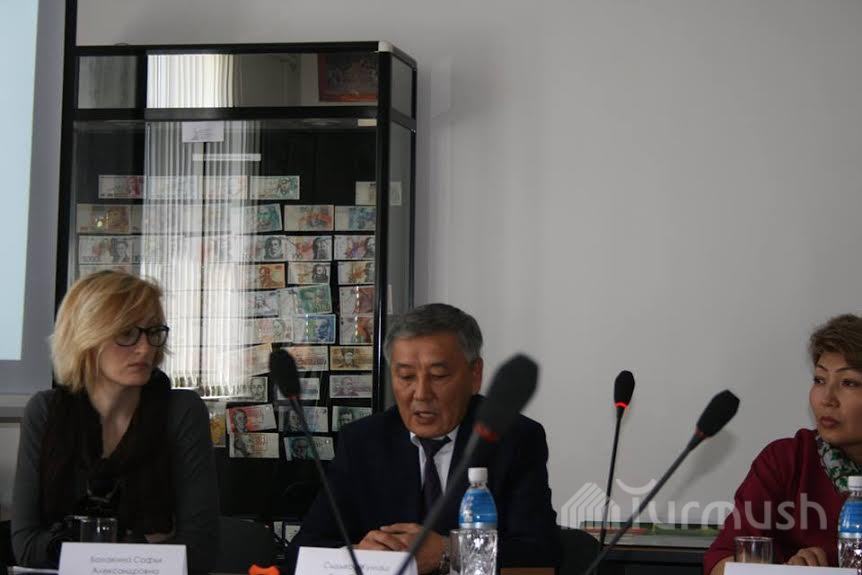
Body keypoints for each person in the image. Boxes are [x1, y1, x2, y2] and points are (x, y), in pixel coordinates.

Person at [286, 303, 560, 574]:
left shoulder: (513, 439)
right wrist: (357, 556)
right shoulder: (362, 441)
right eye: (406, 376)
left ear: (474, 374)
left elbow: (540, 553)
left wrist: (450, 552)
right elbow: (301, 550)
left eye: (438, 376)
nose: (421, 394)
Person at [11, 271, 219, 572]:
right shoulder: (46, 411)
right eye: (126, 333)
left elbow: (200, 551)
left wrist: (71, 544)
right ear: (86, 336)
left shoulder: (181, 411)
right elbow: (26, 546)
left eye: (153, 332)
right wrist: (142, 547)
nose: (145, 348)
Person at [705, 314, 862, 574]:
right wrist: (785, 571)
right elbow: (720, 563)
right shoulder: (788, 460)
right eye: (819, 380)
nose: (827, 398)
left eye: (849, 383)